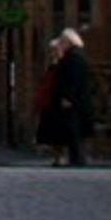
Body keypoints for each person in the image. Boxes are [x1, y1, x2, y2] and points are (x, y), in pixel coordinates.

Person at [43, 29, 95, 167]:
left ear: (69, 42)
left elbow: (72, 80)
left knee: (73, 130)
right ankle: (76, 157)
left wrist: (67, 97)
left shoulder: (74, 58)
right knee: (71, 130)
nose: (61, 45)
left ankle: (77, 158)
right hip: (74, 100)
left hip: (73, 101)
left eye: (62, 42)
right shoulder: (73, 56)